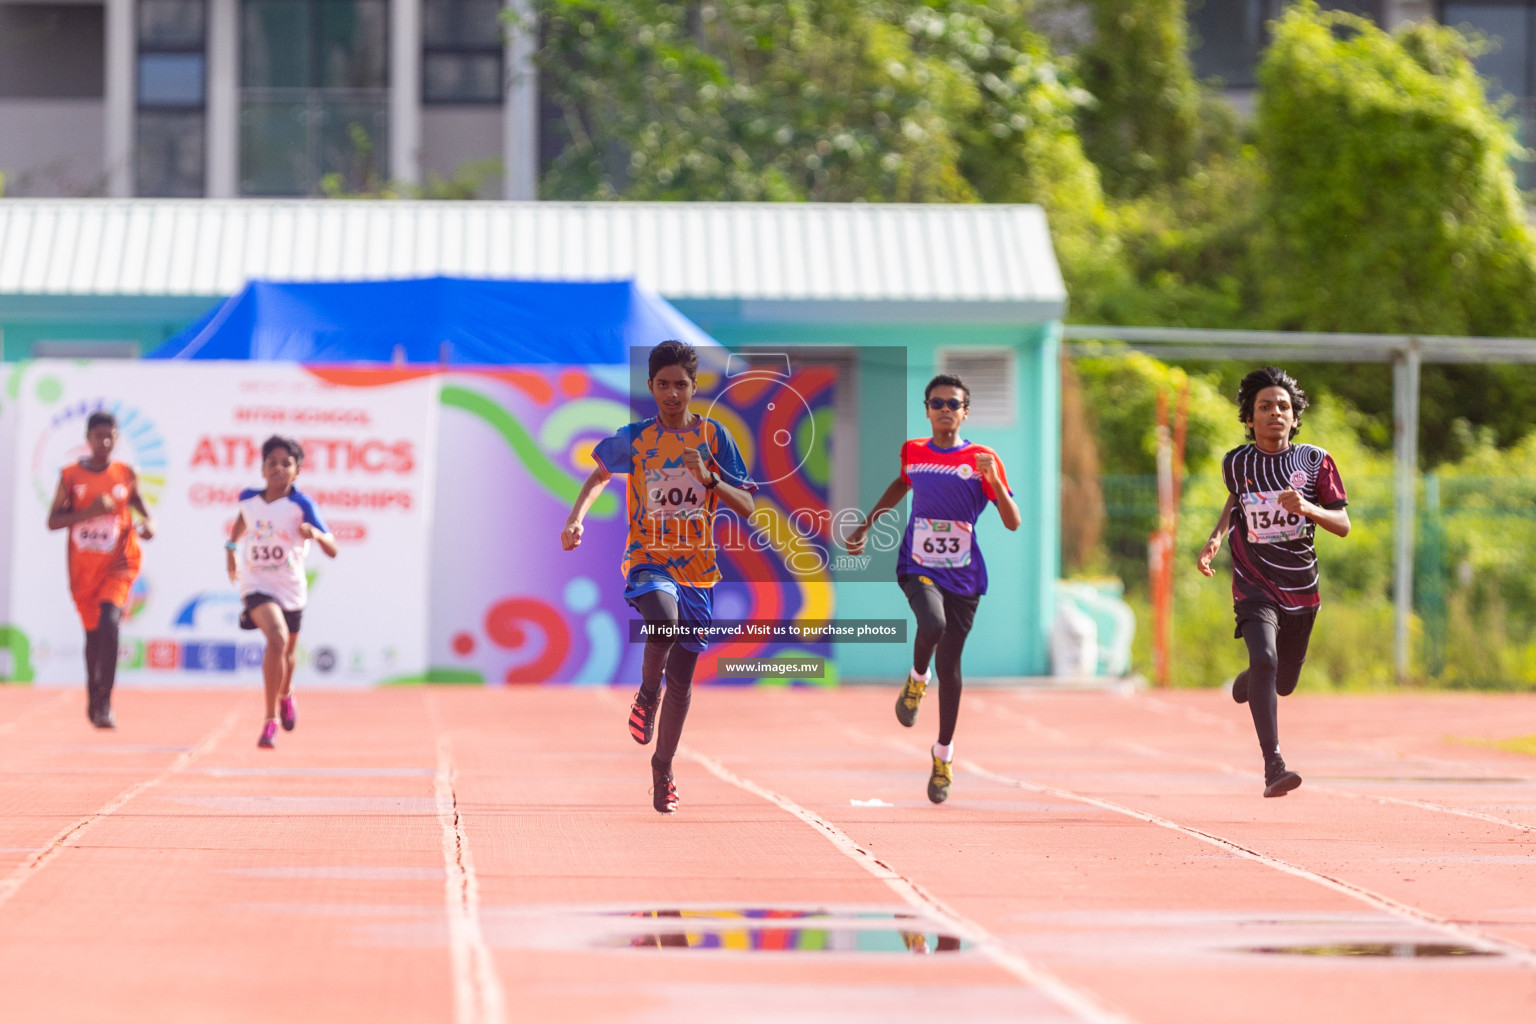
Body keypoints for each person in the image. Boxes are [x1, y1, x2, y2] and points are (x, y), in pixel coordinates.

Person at [561, 340, 757, 813]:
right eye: (663, 385)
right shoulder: (637, 437)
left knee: (684, 682)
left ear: (694, 387)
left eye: (681, 385)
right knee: (662, 620)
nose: (673, 394)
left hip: (699, 572)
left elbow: (748, 505)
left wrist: (711, 479)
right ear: (650, 386)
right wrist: (576, 519)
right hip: (649, 558)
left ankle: (662, 768)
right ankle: (647, 694)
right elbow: (599, 475)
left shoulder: (714, 438)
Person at [845, 374, 1020, 803]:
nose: (945, 409)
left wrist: (993, 482)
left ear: (965, 411)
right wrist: (866, 525)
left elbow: (1013, 521)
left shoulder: (983, 458)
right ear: (926, 409)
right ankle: (917, 678)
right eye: (937, 402)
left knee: (953, 668)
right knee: (932, 621)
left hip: (963, 574)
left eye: (953, 403)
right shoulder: (913, 451)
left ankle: (943, 754)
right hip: (918, 564)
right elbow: (901, 485)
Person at [1198, 366, 1350, 797]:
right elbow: (1237, 501)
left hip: (1301, 587)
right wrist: (1214, 539)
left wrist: (1307, 508)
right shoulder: (1237, 462)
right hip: (1253, 580)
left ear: (1294, 417)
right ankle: (1274, 765)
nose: (1274, 413)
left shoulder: (1316, 462)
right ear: (1249, 418)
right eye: (1264, 407)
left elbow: (1343, 523)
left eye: (1283, 406)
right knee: (1266, 658)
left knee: (1282, 680)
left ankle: (1252, 678)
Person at [226, 436, 338, 749]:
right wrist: (232, 547)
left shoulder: (302, 505)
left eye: (286, 463)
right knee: (276, 638)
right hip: (257, 585)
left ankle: (286, 693)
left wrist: (314, 534)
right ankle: (269, 720)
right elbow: (243, 521)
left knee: (287, 654)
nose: (278, 468)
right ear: (262, 467)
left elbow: (333, 548)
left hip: (291, 588)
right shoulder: (248, 498)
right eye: (271, 462)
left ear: (297, 471)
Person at [46, 411, 155, 728]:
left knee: (111, 623)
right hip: (84, 569)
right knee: (94, 638)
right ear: (88, 439)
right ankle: (93, 697)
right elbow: (53, 521)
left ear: (117, 438)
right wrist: (90, 512)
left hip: (119, 563)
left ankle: (106, 702)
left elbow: (144, 511)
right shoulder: (70, 476)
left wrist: (150, 526)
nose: (104, 442)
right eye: (98, 436)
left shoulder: (125, 473)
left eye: (110, 436)